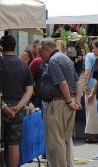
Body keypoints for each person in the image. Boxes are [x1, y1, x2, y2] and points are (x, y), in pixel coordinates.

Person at [38, 38, 82, 167]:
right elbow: (78, 82)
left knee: (56, 144)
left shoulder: (53, 60)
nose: (41, 57)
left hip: (59, 104)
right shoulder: (65, 58)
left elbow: (62, 83)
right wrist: (76, 101)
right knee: (65, 142)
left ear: (47, 49)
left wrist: (69, 101)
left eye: (41, 53)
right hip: (68, 103)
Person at [0, 35, 34, 167]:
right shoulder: (23, 65)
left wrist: (4, 106)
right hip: (17, 109)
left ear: (2, 48)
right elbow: (29, 90)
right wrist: (18, 106)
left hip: (2, 106)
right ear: (15, 47)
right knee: (14, 145)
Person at [82, 51, 98, 143]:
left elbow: (88, 71)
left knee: (91, 110)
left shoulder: (89, 56)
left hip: (91, 85)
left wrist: (84, 85)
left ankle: (93, 135)